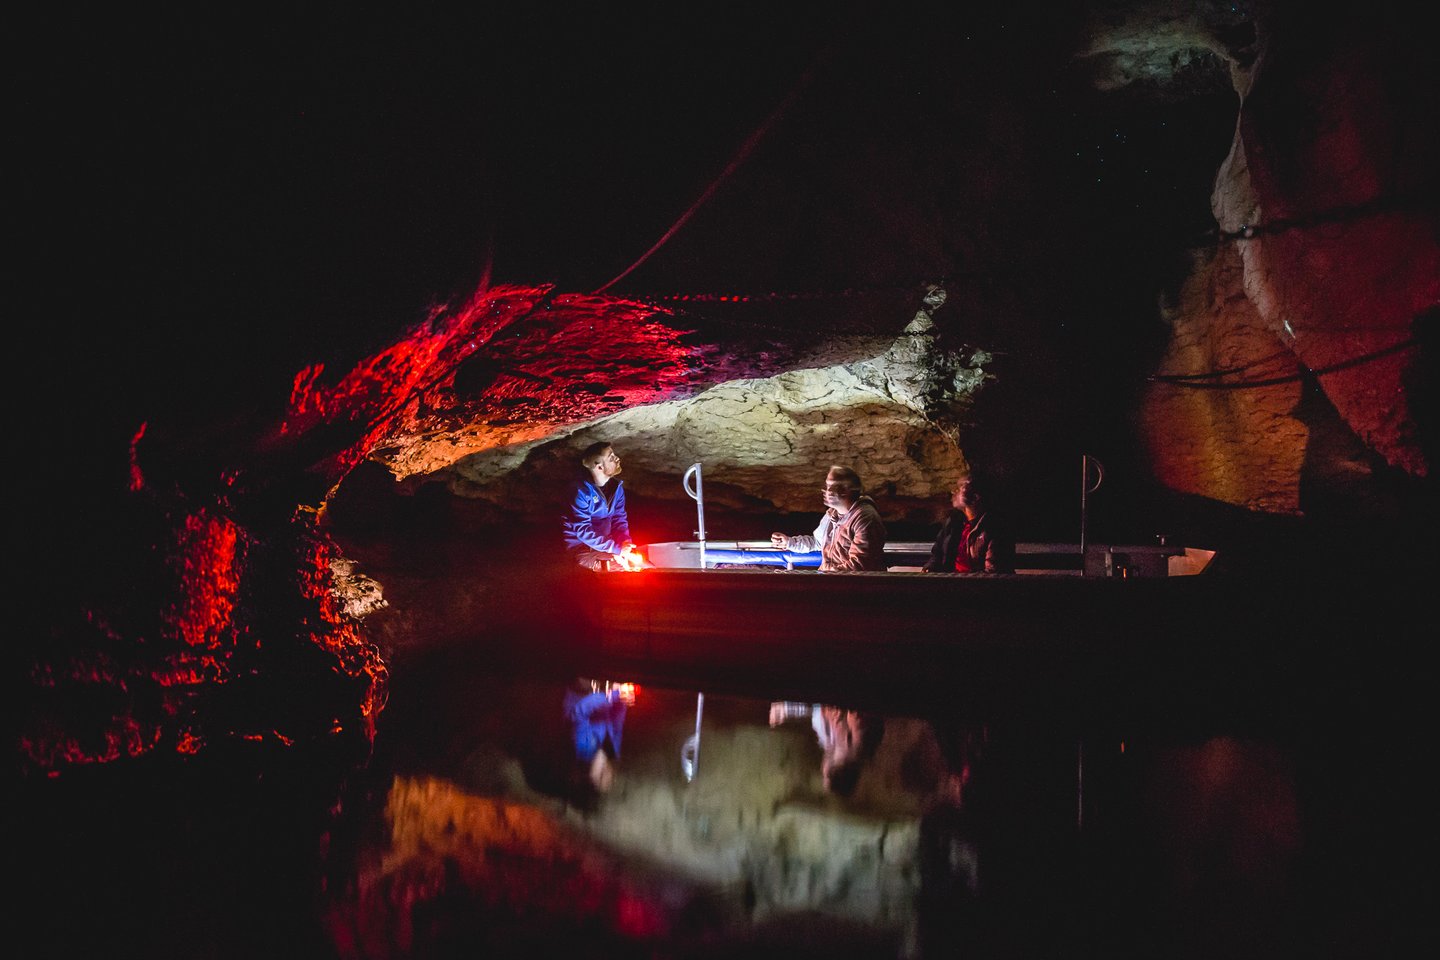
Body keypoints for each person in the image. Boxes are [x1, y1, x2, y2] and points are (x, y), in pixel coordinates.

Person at [770, 465, 887, 571]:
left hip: (853, 587)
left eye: (831, 486)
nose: (826, 491)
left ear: (846, 490)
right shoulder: (831, 515)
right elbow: (817, 542)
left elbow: (861, 564)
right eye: (827, 486)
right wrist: (789, 542)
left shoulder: (865, 518)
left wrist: (825, 575)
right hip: (834, 581)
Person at [769, 700, 884, 797]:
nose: (822, 767)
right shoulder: (859, 739)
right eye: (824, 774)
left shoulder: (829, 743)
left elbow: (817, 711)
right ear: (831, 771)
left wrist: (787, 710)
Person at [563, 440, 644, 571]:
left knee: (642, 565)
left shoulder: (616, 488)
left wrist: (625, 542)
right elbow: (583, 531)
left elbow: (619, 518)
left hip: (607, 546)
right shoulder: (580, 492)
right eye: (611, 457)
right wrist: (616, 549)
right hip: (582, 549)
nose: (617, 459)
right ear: (599, 466)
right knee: (630, 573)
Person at [922, 474, 1014, 574]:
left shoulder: (995, 528)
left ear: (976, 497)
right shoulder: (953, 522)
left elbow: (993, 572)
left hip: (975, 586)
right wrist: (930, 567)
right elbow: (937, 554)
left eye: (960, 487)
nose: (953, 491)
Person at [563, 677, 634, 794]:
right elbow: (617, 721)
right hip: (601, 692)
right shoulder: (613, 751)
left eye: (600, 777)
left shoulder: (581, 747)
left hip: (582, 691)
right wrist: (622, 699)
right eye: (609, 779)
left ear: (588, 774)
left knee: (585, 680)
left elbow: (581, 711)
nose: (606, 773)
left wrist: (613, 696)